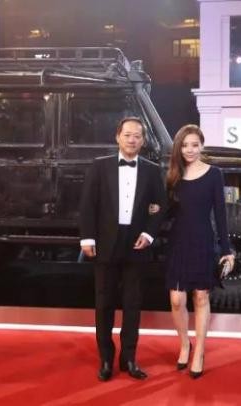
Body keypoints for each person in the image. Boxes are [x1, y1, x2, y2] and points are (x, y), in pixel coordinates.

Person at [79, 116, 167, 382]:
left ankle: (129, 358)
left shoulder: (152, 170)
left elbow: (160, 206)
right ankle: (106, 358)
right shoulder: (99, 166)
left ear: (143, 140)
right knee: (104, 302)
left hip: (137, 243)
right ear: (118, 136)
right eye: (127, 135)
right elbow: (88, 205)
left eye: (137, 136)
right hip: (105, 241)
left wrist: (149, 234)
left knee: (133, 303)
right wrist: (87, 239)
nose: (132, 140)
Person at [164, 124, 235, 379]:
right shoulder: (173, 175)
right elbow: (166, 211)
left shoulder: (214, 174)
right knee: (176, 300)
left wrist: (227, 250)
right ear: (178, 147)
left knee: (201, 297)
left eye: (195, 145)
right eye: (185, 145)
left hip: (204, 241)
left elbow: (221, 214)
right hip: (178, 242)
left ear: (202, 145)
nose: (190, 150)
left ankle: (200, 351)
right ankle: (185, 344)